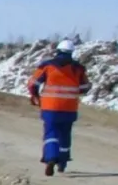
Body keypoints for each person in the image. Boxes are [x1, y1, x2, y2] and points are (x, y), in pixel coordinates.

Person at [28, 38, 87, 176]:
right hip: (70, 108)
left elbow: (33, 83)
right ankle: (62, 163)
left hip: (50, 107)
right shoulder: (78, 68)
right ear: (72, 52)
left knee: (51, 132)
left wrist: (34, 95)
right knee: (65, 134)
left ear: (57, 50)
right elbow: (85, 87)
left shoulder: (47, 66)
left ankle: (51, 158)